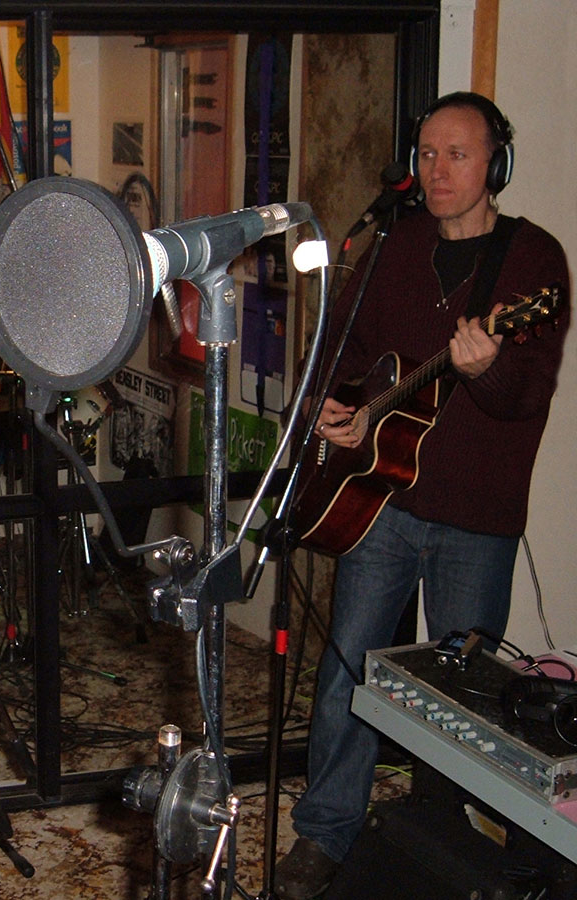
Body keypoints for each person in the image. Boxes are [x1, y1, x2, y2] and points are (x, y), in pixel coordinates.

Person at [274, 92, 570, 898]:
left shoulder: (533, 263)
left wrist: (486, 368)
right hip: (381, 501)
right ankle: (325, 834)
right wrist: (333, 405)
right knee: (347, 679)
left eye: (459, 155)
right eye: (428, 155)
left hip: (476, 519)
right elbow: (348, 342)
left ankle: (446, 844)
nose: (438, 171)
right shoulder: (397, 245)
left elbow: (524, 397)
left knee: (462, 703)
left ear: (495, 165)